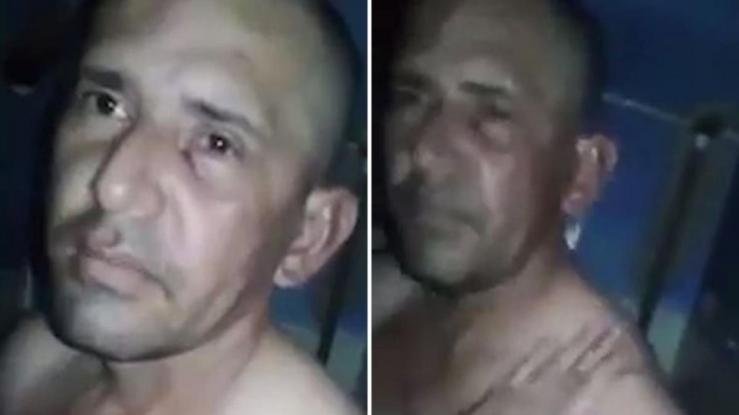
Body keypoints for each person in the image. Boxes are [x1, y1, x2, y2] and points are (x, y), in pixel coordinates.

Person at [0, 0, 361, 414]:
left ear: (308, 237)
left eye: (216, 143)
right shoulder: (35, 363)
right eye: (105, 104)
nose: (113, 187)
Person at [372, 0, 683, 413]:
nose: (425, 153)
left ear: (581, 172)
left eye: (491, 116)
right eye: (410, 98)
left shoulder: (610, 402)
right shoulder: (389, 293)